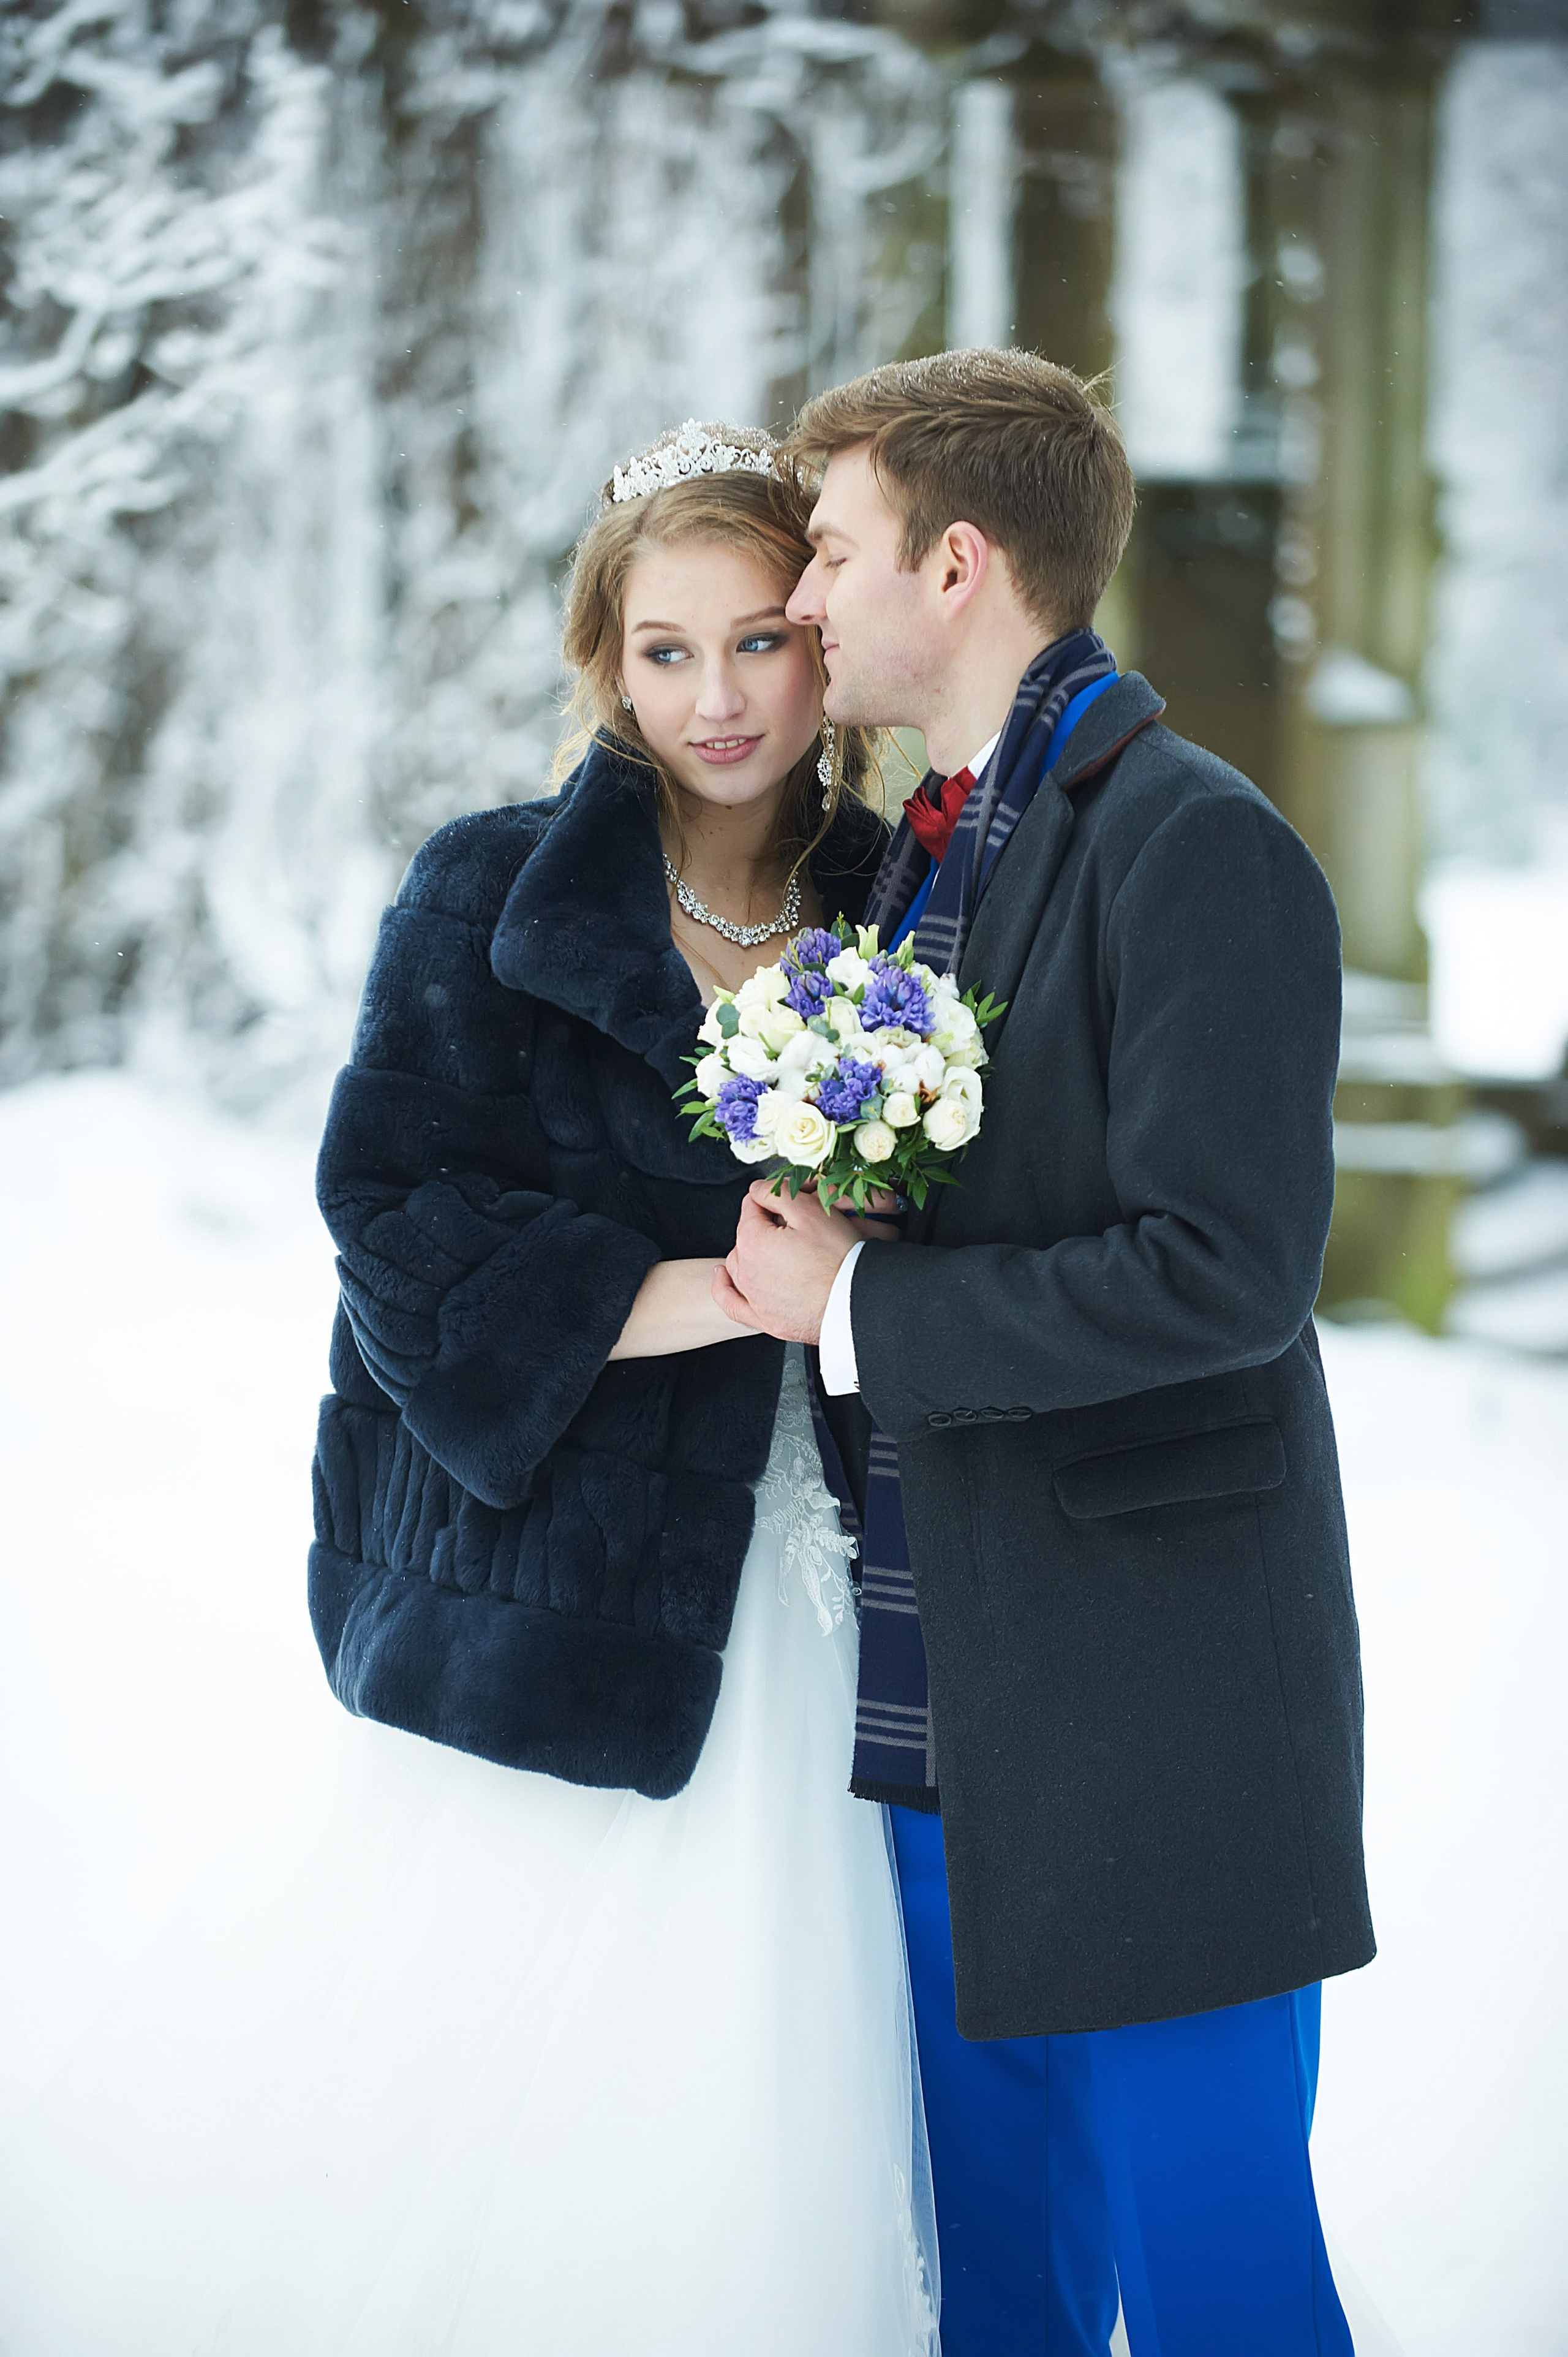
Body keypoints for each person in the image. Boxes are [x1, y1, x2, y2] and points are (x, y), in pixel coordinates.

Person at [0, 425, 940, 2356]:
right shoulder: (493, 891)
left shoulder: (900, 902)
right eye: (665, 650)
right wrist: (705, 1290)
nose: (719, 695)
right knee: (517, 2073)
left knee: (784, 2064)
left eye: (760, 640)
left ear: (825, 643)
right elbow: (393, 1209)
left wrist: (876, 1236)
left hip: (836, 1573)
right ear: (603, 660)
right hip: (553, 1580)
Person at [717, 349, 1376, 2357]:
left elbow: (1222, 1272)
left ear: (962, 559)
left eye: (830, 553)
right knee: (997, 2295)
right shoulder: (920, 859)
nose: (807, 603)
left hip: (1154, 1725)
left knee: (1215, 2292)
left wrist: (865, 1308)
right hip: (954, 1705)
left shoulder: (1195, 843)